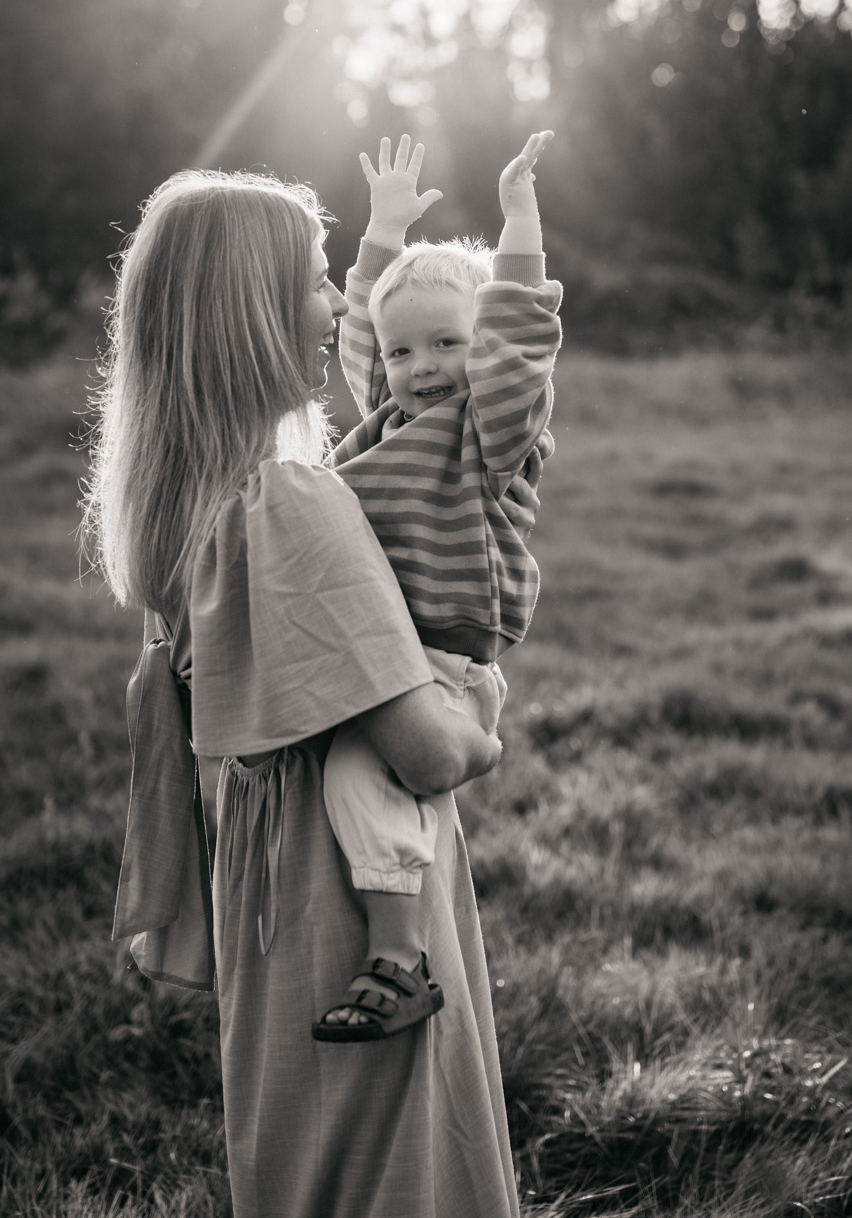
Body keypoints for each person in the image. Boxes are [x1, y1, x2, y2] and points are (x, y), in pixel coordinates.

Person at [82, 168, 531, 1217]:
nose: (337, 306)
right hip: (349, 887)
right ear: (250, 311)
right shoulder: (286, 502)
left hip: (265, 871)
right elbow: (424, 753)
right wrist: (481, 734)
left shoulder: (191, 496)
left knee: (304, 1146)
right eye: (320, 280)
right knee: (394, 1161)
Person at [317, 132, 561, 1040]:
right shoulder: (386, 420)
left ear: (483, 348)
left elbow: (522, 351)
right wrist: (380, 233)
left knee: (358, 776)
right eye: (406, 352)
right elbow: (357, 335)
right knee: (348, 775)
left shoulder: (488, 430)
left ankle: (398, 960)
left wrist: (520, 229)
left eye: (450, 345)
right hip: (390, 644)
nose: (423, 368)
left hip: (444, 657)